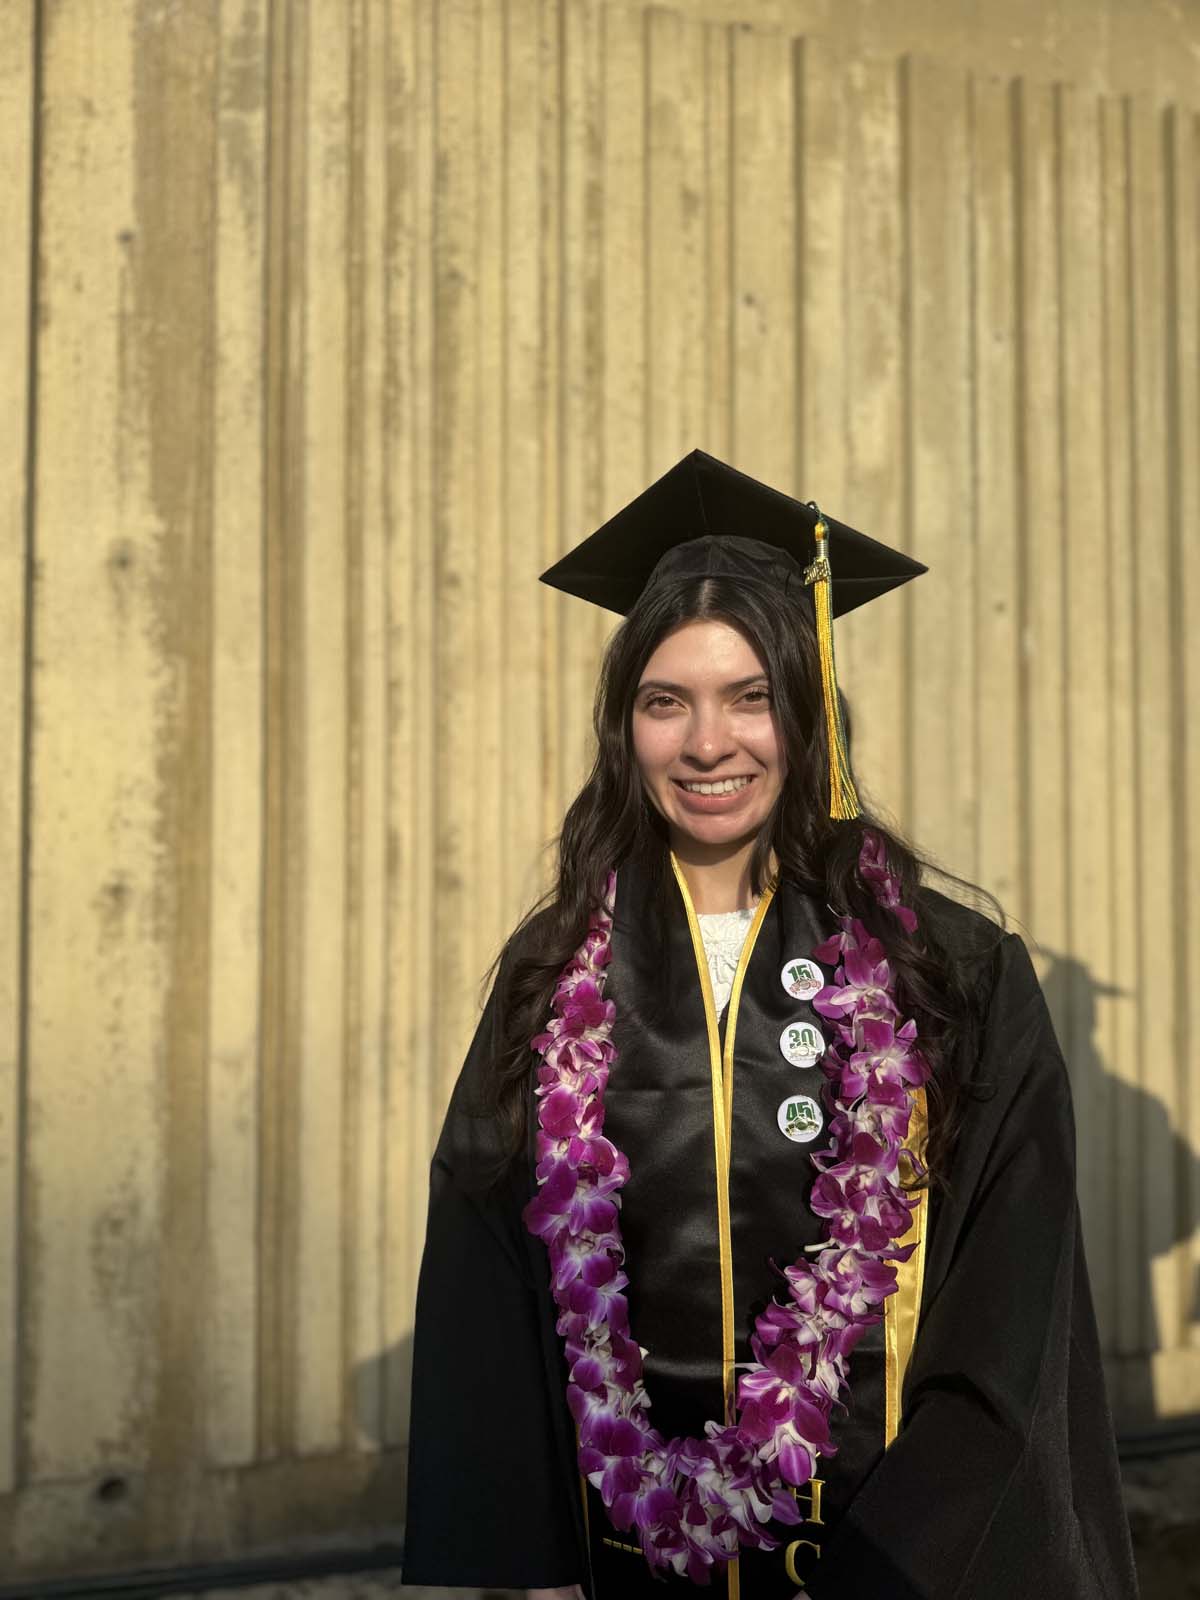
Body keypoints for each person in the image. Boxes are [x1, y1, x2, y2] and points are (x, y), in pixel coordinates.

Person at [402, 449, 1138, 1599]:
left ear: (807, 710)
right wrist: (531, 1568)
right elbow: (484, 1284)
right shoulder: (552, 977)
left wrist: (898, 1570)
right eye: (667, 701)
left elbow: (1008, 1314)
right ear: (625, 724)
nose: (709, 743)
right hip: (628, 1565)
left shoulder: (950, 974)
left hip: (897, 1569)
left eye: (750, 696)